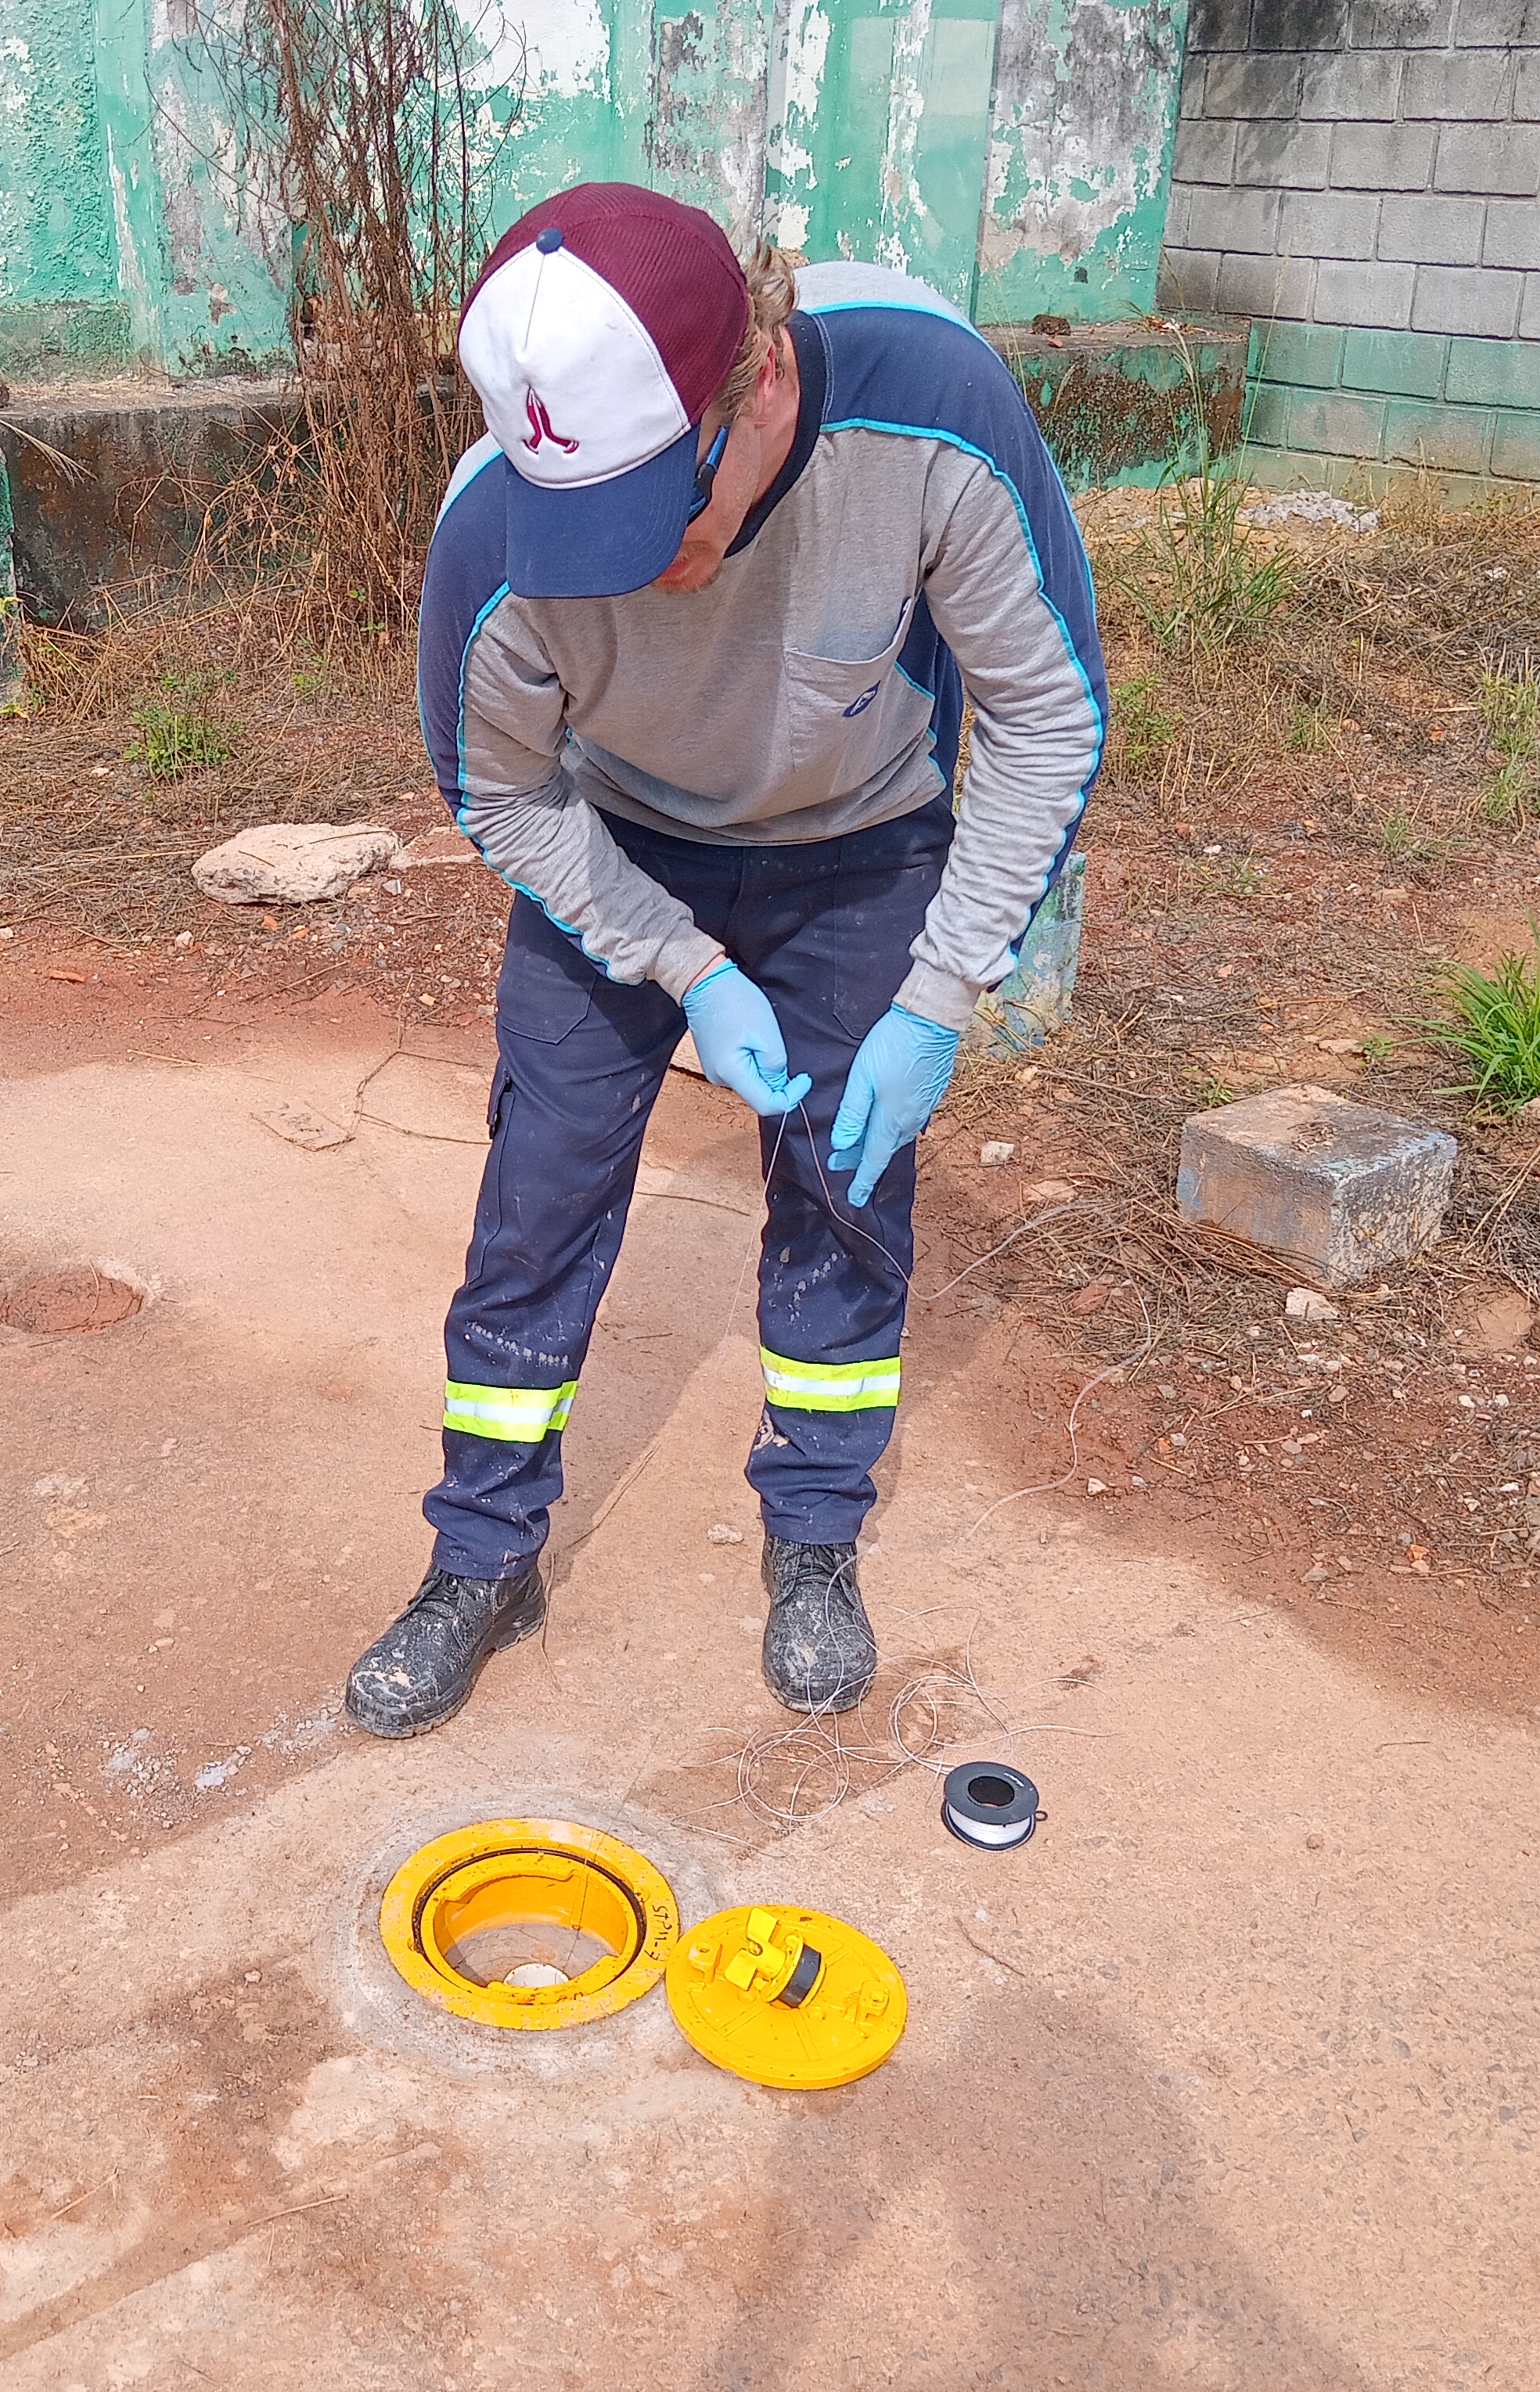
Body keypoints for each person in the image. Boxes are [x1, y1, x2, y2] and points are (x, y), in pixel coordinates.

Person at [342, 182, 1108, 1739]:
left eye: (663, 515)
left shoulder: (931, 410)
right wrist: (681, 963)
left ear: (757, 381)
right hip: (619, 846)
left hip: (863, 843)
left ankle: (814, 1525)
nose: (635, 569)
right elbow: (500, 791)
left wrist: (937, 991)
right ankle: (480, 1552)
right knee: (540, 1191)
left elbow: (1042, 712)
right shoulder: (498, 527)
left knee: (842, 1188)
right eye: (588, 533)